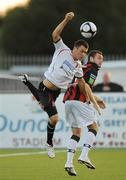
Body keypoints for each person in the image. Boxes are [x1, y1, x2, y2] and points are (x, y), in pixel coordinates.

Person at [18, 12, 97, 158]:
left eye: (85, 53)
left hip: (56, 93)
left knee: (52, 119)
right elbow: (55, 34)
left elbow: (81, 83)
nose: (83, 55)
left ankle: (27, 82)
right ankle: (49, 144)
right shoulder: (62, 49)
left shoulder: (78, 66)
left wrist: (87, 97)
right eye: (81, 52)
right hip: (45, 87)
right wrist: (66, 20)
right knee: (54, 119)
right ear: (75, 48)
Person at [63, 50, 106, 176]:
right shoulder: (92, 69)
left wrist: (98, 99)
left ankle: (69, 163)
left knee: (76, 133)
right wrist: (95, 104)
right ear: (91, 59)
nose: (101, 60)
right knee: (93, 127)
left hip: (68, 102)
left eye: (102, 58)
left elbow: (80, 85)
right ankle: (84, 155)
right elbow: (86, 87)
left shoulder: (82, 67)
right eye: (99, 58)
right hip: (79, 102)